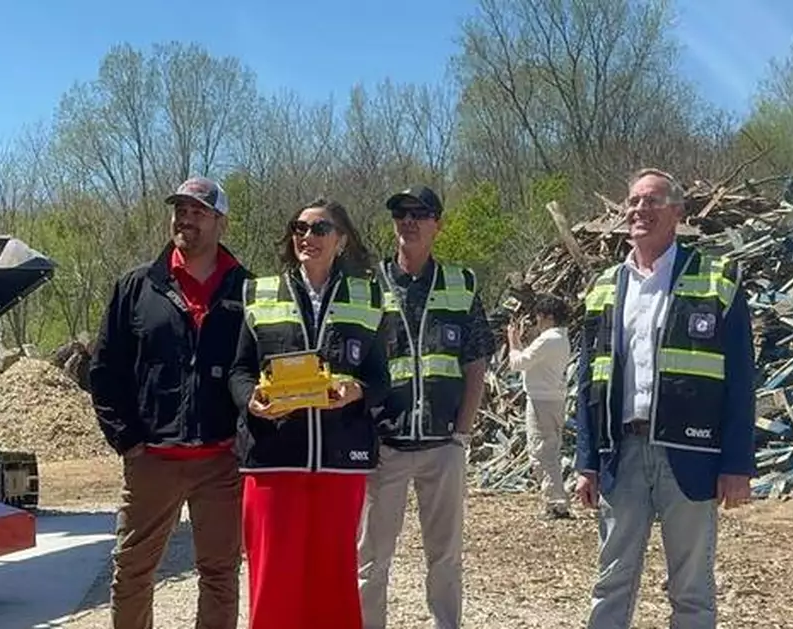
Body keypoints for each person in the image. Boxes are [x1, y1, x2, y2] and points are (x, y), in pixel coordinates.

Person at [573, 168, 756, 629]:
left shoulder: (716, 281)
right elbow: (588, 383)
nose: (639, 210)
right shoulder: (603, 288)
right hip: (623, 452)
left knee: (691, 588)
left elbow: (739, 380)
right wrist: (586, 460)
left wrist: (736, 465)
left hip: (690, 455)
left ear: (677, 212)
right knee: (611, 580)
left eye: (652, 201)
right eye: (633, 202)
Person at [88, 176, 250, 629]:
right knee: (133, 571)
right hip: (151, 461)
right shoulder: (137, 287)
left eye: (198, 212)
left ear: (220, 221)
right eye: (180, 210)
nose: (185, 220)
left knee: (219, 574)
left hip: (221, 461)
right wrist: (128, 441)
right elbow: (104, 370)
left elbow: (258, 372)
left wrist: (243, 440)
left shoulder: (248, 290)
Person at [228, 198, 390, 629]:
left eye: (320, 229)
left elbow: (381, 378)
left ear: (341, 239)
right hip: (273, 459)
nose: (308, 236)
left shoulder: (369, 295)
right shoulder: (259, 292)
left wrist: (357, 389)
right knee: (273, 585)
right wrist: (250, 399)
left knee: (334, 585)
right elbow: (239, 371)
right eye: (300, 227)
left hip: (340, 463)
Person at [357, 185, 495, 629]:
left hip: (443, 445)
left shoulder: (460, 284)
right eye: (401, 213)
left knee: (446, 558)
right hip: (385, 446)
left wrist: (463, 434)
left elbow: (476, 360)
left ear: (438, 223)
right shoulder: (367, 286)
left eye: (420, 213)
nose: (409, 221)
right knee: (370, 559)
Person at [506, 293, 573, 519]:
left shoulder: (548, 339)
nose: (537, 322)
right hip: (554, 399)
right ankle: (556, 499)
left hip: (540, 400)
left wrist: (512, 341)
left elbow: (518, 363)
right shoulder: (562, 339)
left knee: (541, 452)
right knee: (551, 450)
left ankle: (555, 502)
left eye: (539, 317)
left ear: (549, 317)